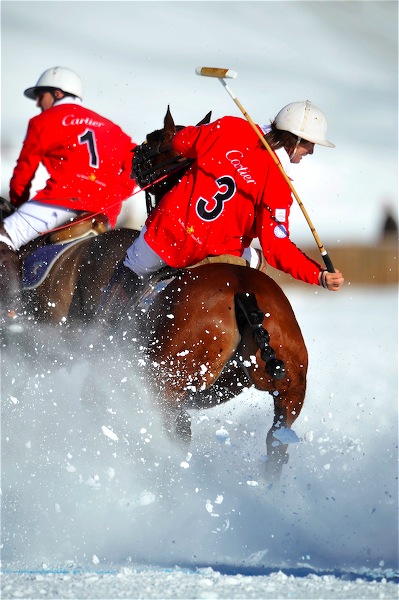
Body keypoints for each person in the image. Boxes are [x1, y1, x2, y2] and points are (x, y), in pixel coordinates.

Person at [101, 100, 344, 320]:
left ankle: (103, 326)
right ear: (296, 140)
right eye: (310, 145)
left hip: (168, 232)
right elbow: (276, 248)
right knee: (258, 261)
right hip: (215, 251)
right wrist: (318, 275)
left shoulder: (230, 127)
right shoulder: (280, 185)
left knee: (133, 265)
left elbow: (179, 142)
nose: (311, 152)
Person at [0, 66, 136, 329]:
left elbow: (23, 172)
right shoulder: (114, 129)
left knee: (3, 237)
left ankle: (10, 311)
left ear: (57, 92)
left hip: (59, 203)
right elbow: (131, 169)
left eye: (41, 95)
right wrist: (112, 207)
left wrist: (18, 203)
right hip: (101, 213)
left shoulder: (44, 121)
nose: (38, 102)